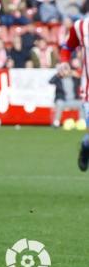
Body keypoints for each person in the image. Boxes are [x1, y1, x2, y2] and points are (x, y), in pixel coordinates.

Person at [61, 16, 89, 171]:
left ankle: (86, 144)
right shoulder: (81, 26)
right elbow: (67, 47)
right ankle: (86, 147)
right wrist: (64, 61)